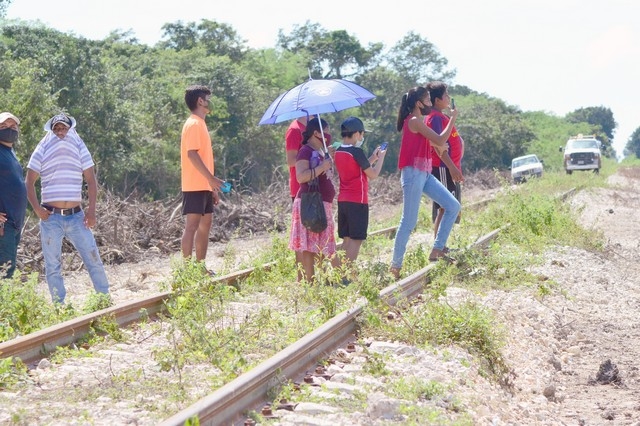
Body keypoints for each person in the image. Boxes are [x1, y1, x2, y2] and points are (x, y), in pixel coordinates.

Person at [26, 113, 110, 303]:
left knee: (93, 258)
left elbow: (91, 180)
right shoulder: (44, 146)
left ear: (70, 128)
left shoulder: (78, 144)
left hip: (77, 216)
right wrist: (37, 209)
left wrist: (91, 211)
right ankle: (59, 307)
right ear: (52, 130)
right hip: (51, 218)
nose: (60, 131)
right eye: (57, 128)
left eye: (64, 128)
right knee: (53, 265)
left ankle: (104, 300)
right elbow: (29, 181)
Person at [390, 86, 463, 279]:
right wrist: (453, 118)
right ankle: (395, 266)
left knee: (452, 205)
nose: (430, 104)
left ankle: (437, 249)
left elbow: (436, 143)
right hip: (413, 174)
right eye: (428, 101)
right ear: (418, 103)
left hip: (425, 173)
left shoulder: (419, 122)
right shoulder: (414, 121)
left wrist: (439, 144)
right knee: (408, 221)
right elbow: (440, 138)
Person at [180, 85, 225, 272]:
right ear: (200, 101)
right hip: (194, 185)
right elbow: (192, 155)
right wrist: (211, 179)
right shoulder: (194, 124)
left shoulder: (201, 123)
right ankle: (187, 271)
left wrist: (212, 187)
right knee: (191, 226)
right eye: (208, 98)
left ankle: (200, 268)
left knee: (205, 225)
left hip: (204, 185)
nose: (210, 102)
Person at [288, 117, 337, 283]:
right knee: (309, 245)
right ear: (317, 133)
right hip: (311, 203)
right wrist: (322, 167)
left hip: (323, 203)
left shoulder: (321, 151)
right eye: (327, 131)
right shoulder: (305, 151)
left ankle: (322, 278)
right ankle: (311, 281)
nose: (328, 135)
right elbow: (301, 176)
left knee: (321, 243)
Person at [334, 116, 386, 265]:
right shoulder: (357, 152)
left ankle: (337, 274)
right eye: (362, 134)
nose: (362, 137)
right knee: (356, 240)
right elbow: (373, 174)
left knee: (346, 240)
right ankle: (347, 275)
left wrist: (372, 158)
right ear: (357, 134)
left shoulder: (339, 151)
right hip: (358, 200)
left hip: (343, 200)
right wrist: (381, 158)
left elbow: (357, 168)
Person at [425, 81, 464, 238]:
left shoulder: (442, 117)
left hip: (449, 167)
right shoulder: (434, 119)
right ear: (437, 100)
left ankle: (441, 245)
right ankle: (438, 246)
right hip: (443, 167)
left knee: (449, 206)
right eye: (446, 95)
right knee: (444, 206)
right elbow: (438, 146)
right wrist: (452, 167)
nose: (448, 98)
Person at [0, 112, 27, 279]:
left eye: (13, 127)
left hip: (14, 224)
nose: (9, 129)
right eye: (3, 127)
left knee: (8, 268)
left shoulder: (10, 152)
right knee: (5, 272)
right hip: (4, 225)